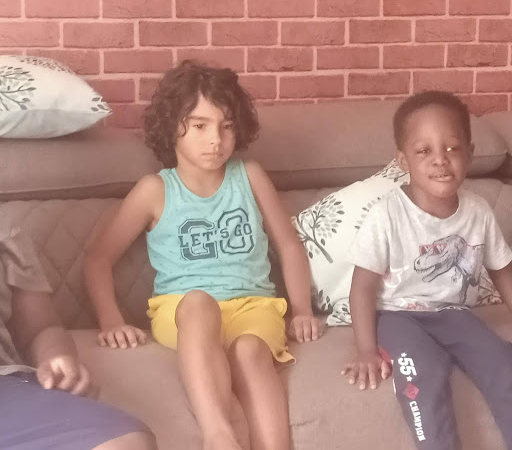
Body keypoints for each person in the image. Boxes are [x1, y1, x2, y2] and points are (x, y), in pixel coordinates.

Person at [84, 61, 324, 450]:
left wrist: (301, 310)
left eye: (226, 126)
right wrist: (111, 320)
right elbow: (98, 258)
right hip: (183, 310)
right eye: (200, 126)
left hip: (254, 306)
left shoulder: (250, 175)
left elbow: (289, 244)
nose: (216, 139)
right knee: (199, 303)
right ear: (172, 128)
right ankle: (219, 436)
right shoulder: (154, 190)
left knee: (250, 351)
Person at [341, 90, 512, 450]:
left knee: (502, 363)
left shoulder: (479, 211)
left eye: (452, 148)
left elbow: (503, 272)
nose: (440, 160)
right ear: (403, 160)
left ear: (470, 154)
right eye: (424, 151)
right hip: (397, 316)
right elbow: (362, 287)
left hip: (455, 314)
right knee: (424, 372)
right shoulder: (386, 214)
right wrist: (366, 349)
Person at [0, 227, 156, 450]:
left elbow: (40, 329)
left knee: (129, 443)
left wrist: (54, 356)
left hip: (8, 390)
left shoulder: (6, 237)